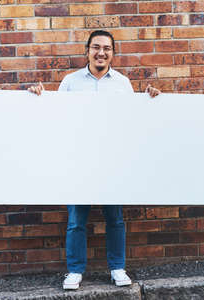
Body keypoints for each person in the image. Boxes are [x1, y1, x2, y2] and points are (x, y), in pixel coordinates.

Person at [28, 30, 161, 290]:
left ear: (113, 53)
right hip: (78, 160)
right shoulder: (70, 81)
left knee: (115, 217)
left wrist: (150, 101)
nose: (101, 52)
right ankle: (75, 271)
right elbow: (56, 117)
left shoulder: (122, 83)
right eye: (96, 47)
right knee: (76, 219)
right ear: (87, 50)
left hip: (113, 161)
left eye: (107, 48)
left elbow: (133, 122)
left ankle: (117, 267)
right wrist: (39, 98)